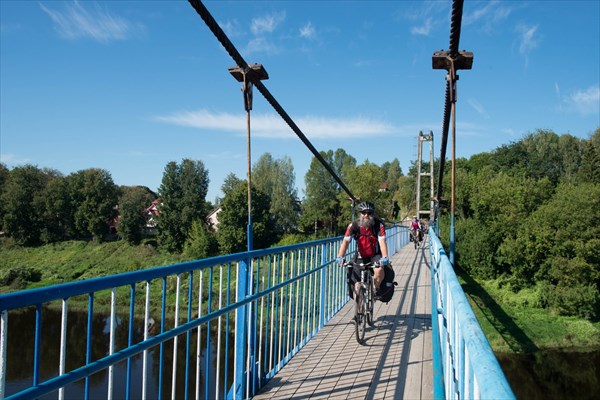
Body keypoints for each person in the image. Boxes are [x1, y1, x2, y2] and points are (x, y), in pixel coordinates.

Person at [336, 201, 389, 301]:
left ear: (372, 214)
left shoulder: (379, 226)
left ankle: (375, 289)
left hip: (375, 255)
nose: (366, 215)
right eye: (364, 213)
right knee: (356, 283)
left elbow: (382, 242)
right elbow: (345, 242)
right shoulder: (354, 226)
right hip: (360, 256)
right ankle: (359, 312)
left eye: (369, 213)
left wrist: (385, 257)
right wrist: (340, 256)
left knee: (379, 270)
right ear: (360, 214)